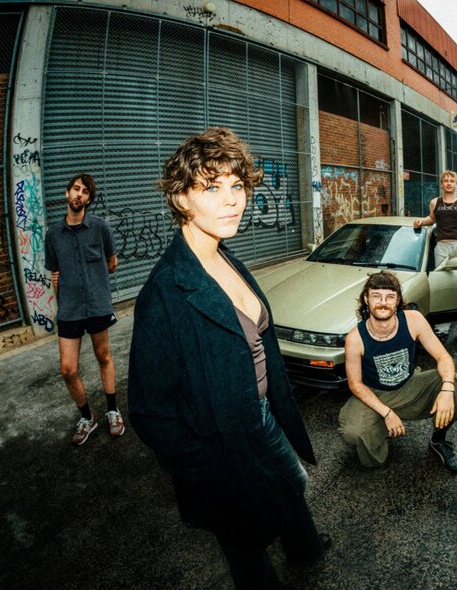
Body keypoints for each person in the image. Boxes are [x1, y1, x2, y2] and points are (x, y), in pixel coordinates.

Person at [128, 127, 329, 589]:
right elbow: (149, 411)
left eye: (237, 186)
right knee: (244, 540)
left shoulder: (226, 256)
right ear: (181, 199)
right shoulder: (164, 293)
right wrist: (206, 470)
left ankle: (305, 549)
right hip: (219, 440)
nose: (232, 200)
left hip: (260, 417)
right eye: (212, 187)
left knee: (293, 483)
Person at [338, 271, 457, 474]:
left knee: (452, 384)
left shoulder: (413, 320)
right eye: (376, 296)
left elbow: (443, 358)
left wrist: (446, 390)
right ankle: (381, 434)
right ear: (366, 299)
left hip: (409, 385)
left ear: (398, 300)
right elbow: (355, 384)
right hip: (375, 393)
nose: (383, 303)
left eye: (390, 297)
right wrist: (387, 413)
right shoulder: (355, 338)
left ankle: (438, 440)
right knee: (353, 432)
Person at [44, 173, 123, 445]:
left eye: (85, 191)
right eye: (75, 189)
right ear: (67, 194)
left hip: (97, 304)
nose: (79, 194)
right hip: (69, 309)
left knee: (104, 356)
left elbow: (112, 262)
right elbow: (54, 272)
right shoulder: (53, 235)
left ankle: (113, 410)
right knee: (67, 369)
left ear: (89, 199)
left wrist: (95, 279)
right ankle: (87, 418)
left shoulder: (100, 228)